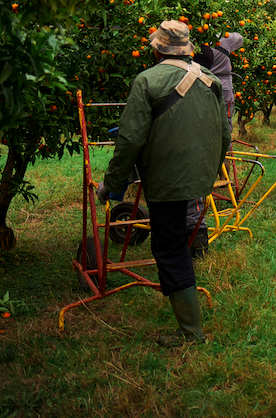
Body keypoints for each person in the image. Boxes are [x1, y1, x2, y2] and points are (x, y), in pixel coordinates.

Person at [97, 20, 230, 347]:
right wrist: (207, 169)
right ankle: (186, 310)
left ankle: (191, 332)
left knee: (169, 249)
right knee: (178, 242)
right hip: (200, 178)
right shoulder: (210, 80)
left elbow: (129, 140)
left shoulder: (146, 81)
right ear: (187, 49)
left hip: (167, 180)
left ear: (156, 48)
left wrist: (111, 184)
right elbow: (225, 135)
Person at [189, 32, 245, 258]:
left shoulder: (193, 43)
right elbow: (240, 38)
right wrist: (226, 34)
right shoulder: (224, 41)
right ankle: (221, 163)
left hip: (198, 83)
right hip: (223, 85)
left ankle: (213, 163)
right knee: (225, 127)